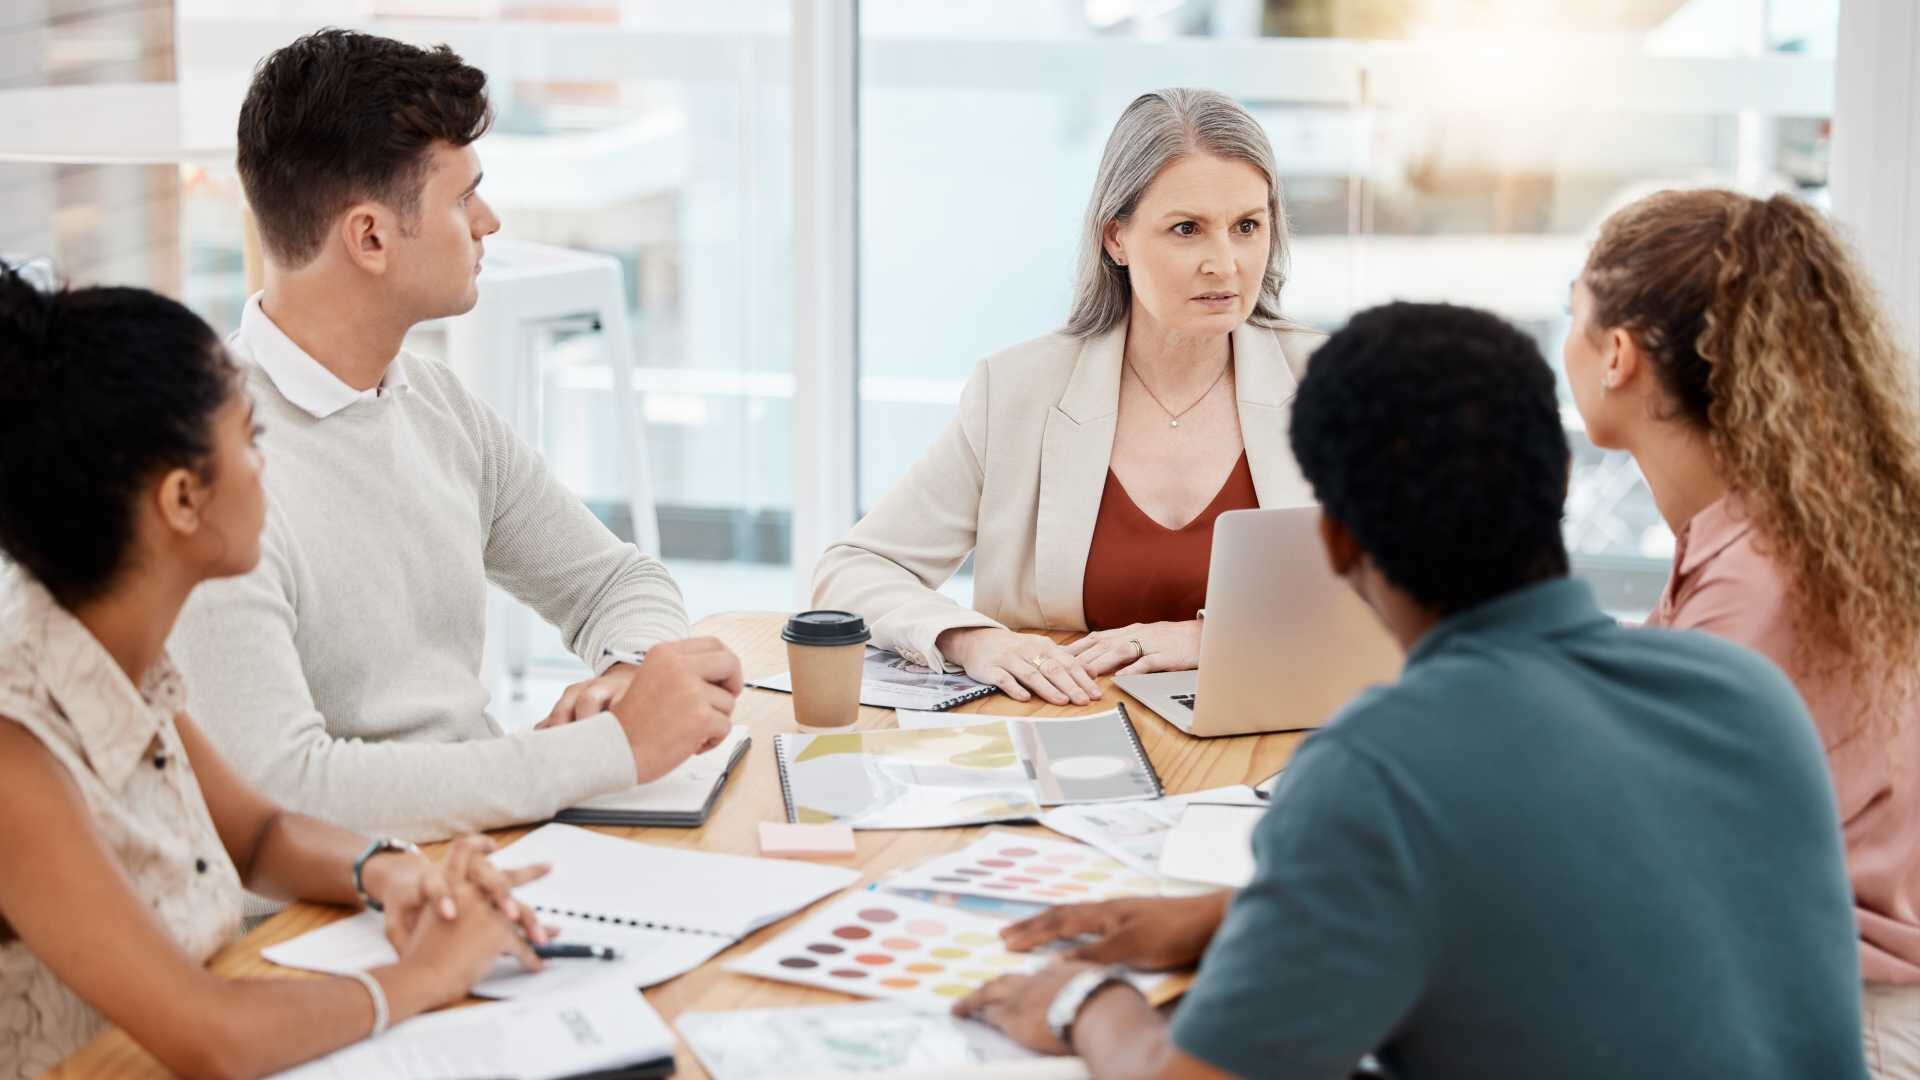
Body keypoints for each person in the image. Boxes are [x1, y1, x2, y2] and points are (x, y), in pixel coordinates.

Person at [954, 302, 1866, 1079]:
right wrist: (1221, 920)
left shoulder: (1377, 768)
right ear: (1554, 487)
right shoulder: (1744, 695)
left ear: (1338, 542)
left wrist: (1086, 1000)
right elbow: (1528, 881)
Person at [167, 29, 741, 841]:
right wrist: (609, 747)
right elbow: (283, 793)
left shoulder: (436, 405)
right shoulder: (208, 476)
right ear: (369, 237)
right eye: (464, 197)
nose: (489, 220)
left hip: (482, 860)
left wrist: (630, 673)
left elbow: (615, 584)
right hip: (333, 912)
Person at [0, 265, 553, 1080]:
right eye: (251, 441)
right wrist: (428, 974)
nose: (270, 466)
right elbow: (211, 1035)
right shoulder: (18, 752)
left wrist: (390, 872)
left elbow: (257, 834)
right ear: (184, 501)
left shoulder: (123, 656)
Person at [1564, 188, 1920, 1076]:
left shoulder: (1754, 585)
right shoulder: (1768, 535)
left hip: (1842, 1026)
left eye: (1572, 311)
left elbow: (1645, 855)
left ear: (1617, 354)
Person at [811, 88, 1318, 706]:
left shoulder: (1330, 384)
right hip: (1064, 732)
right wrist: (975, 641)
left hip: (1266, 737)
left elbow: (1419, 589)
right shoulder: (1018, 390)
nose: (1226, 262)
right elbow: (853, 569)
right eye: (1187, 229)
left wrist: (1204, 639)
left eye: (1247, 226)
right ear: (1116, 240)